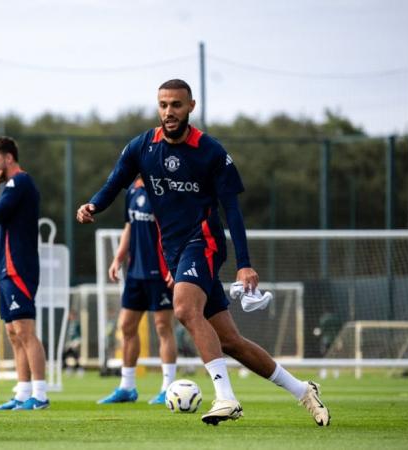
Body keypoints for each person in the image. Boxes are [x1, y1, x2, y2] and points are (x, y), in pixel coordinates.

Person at [77, 79, 330, 426]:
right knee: (230, 341)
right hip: (173, 251)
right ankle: (303, 389)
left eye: (176, 105)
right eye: (163, 105)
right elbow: (116, 180)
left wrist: (244, 264)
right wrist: (94, 204)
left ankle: (226, 398)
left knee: (182, 308)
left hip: (205, 241)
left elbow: (233, 211)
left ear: (191, 107)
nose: (169, 112)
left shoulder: (210, 152)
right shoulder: (142, 146)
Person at [97, 178, 177, 405]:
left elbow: (173, 229)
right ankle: (127, 387)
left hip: (160, 273)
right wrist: (118, 258)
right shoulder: (132, 189)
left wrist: (174, 265)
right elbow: (129, 226)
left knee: (163, 327)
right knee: (126, 326)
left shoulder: (163, 189)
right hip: (135, 273)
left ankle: (168, 387)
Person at [0, 136, 50, 410]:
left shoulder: (19, 182)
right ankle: (22, 393)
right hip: (8, 268)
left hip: (20, 268)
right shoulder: (12, 186)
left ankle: (41, 395)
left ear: (8, 158)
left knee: (25, 330)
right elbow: (7, 232)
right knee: (12, 331)